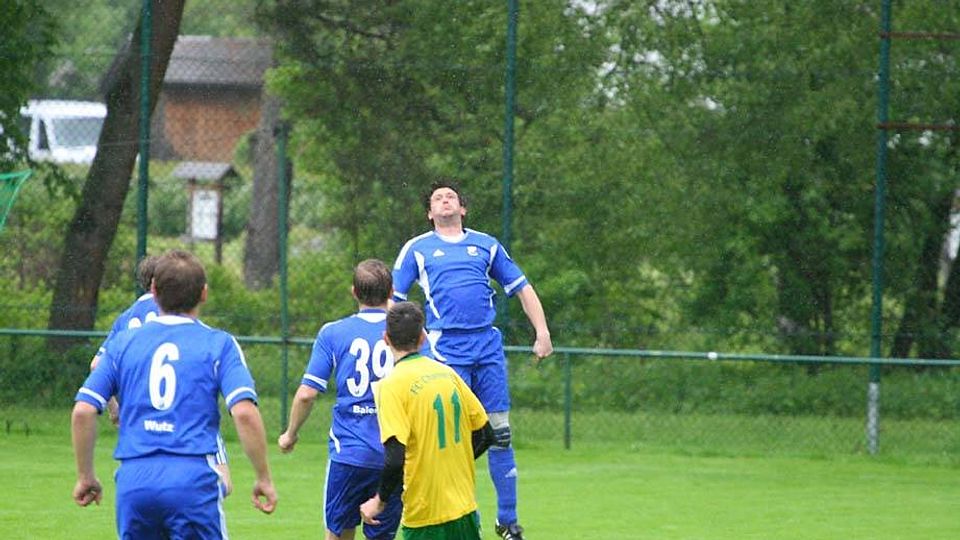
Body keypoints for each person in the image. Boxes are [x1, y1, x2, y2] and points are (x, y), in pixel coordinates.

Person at [71, 249, 277, 538]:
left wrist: (85, 476)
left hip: (134, 480)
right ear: (204, 294)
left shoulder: (121, 343)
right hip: (192, 476)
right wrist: (263, 477)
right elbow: (244, 412)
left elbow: (83, 410)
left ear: (154, 291)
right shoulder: (219, 344)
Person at [391, 179, 553, 539]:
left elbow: (523, 288)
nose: (445, 200)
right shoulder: (417, 249)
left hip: (487, 348)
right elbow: (394, 302)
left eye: (451, 196)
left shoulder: (486, 245)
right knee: (450, 440)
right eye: (438, 198)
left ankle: (508, 521)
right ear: (429, 213)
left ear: (462, 209)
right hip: (445, 351)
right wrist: (398, 348)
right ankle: (455, 512)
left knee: (500, 432)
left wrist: (542, 332)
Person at [278, 259, 420, 540]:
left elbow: (307, 394)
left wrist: (290, 434)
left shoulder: (333, 332)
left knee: (339, 532)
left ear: (353, 292)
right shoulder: (405, 332)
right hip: (393, 453)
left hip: (349, 453)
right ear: (392, 291)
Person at [88, 254, 232, 497]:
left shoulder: (127, 318)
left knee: (146, 482)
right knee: (221, 481)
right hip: (188, 415)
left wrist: (114, 409)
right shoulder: (178, 313)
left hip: (140, 419)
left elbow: (96, 365)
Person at [360, 301, 494, 539]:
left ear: (386, 339)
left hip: (425, 513)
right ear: (422, 338)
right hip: (465, 508)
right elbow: (486, 434)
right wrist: (449, 464)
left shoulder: (391, 386)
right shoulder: (448, 373)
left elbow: (394, 457)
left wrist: (379, 501)